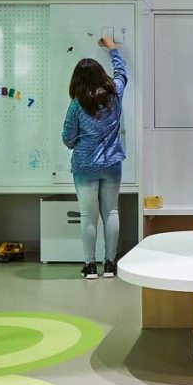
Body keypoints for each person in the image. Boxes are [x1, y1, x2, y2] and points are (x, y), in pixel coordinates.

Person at [63, 36, 127, 280]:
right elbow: (121, 72)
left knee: (88, 216)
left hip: (84, 165)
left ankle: (90, 267)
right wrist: (112, 48)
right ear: (101, 76)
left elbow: (68, 138)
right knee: (111, 212)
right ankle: (110, 265)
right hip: (112, 164)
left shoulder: (77, 105)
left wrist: (82, 141)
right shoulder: (115, 93)